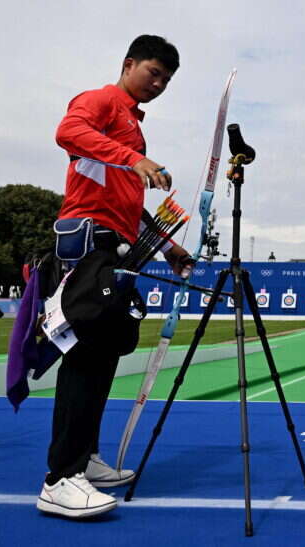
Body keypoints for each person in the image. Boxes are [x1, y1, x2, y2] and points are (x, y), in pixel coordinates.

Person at [38, 35, 193, 519]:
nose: (160, 84)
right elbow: (68, 131)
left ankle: (84, 459)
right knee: (84, 358)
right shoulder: (102, 101)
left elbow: (130, 202)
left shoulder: (132, 131)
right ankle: (60, 478)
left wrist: (168, 248)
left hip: (115, 249)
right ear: (128, 64)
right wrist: (135, 159)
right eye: (154, 72)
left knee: (101, 356)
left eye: (167, 79)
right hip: (88, 247)